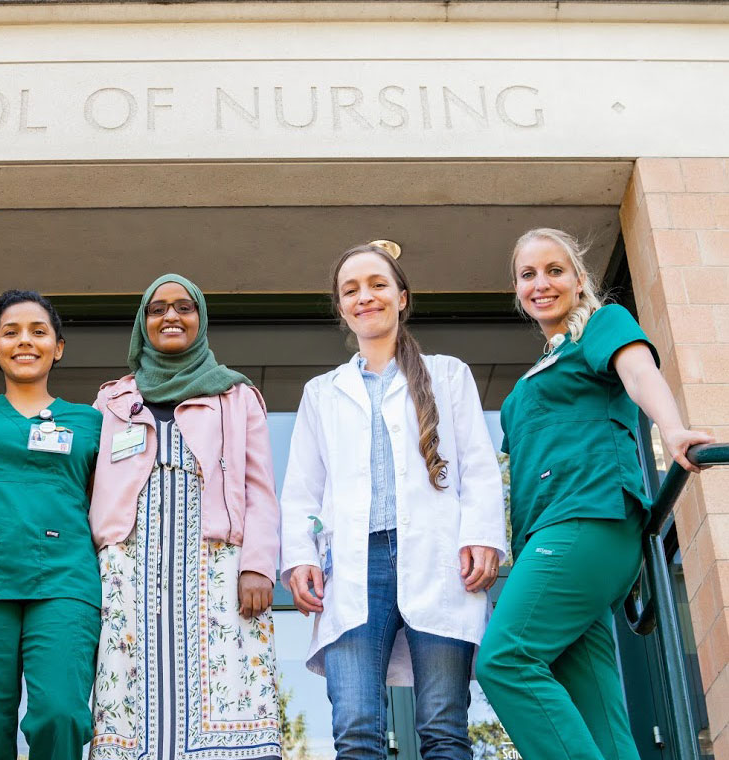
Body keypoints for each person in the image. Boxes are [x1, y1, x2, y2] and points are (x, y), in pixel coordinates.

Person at [475, 228, 712, 760]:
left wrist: (671, 430)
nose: (542, 284)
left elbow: (637, 371)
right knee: (599, 715)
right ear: (517, 290)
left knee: (505, 659)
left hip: (589, 519)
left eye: (555, 270)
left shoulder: (603, 326)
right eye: (528, 275)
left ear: (579, 281)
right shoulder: (533, 377)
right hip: (550, 535)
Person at [279, 243, 508, 760]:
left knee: (443, 727)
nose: (366, 297)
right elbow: (301, 489)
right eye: (351, 290)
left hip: (439, 558)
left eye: (378, 285)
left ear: (402, 297)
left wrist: (482, 537)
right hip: (355, 569)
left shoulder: (448, 375)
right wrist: (300, 557)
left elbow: (476, 464)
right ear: (341, 308)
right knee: (356, 730)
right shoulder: (322, 392)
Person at [89, 274, 282, 760]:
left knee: (226, 706)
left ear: (200, 318)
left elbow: (260, 488)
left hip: (216, 574)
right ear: (142, 323)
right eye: (157, 309)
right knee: (130, 714)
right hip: (127, 575)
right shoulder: (112, 401)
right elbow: (84, 483)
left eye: (183, 307)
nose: (170, 316)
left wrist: (257, 564)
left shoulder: (236, 396)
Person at [0, 290, 103, 760]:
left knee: (62, 714)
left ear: (59, 346)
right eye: (10, 333)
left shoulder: (90, 422)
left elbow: (108, 503)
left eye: (38, 331)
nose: (24, 341)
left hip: (64, 582)